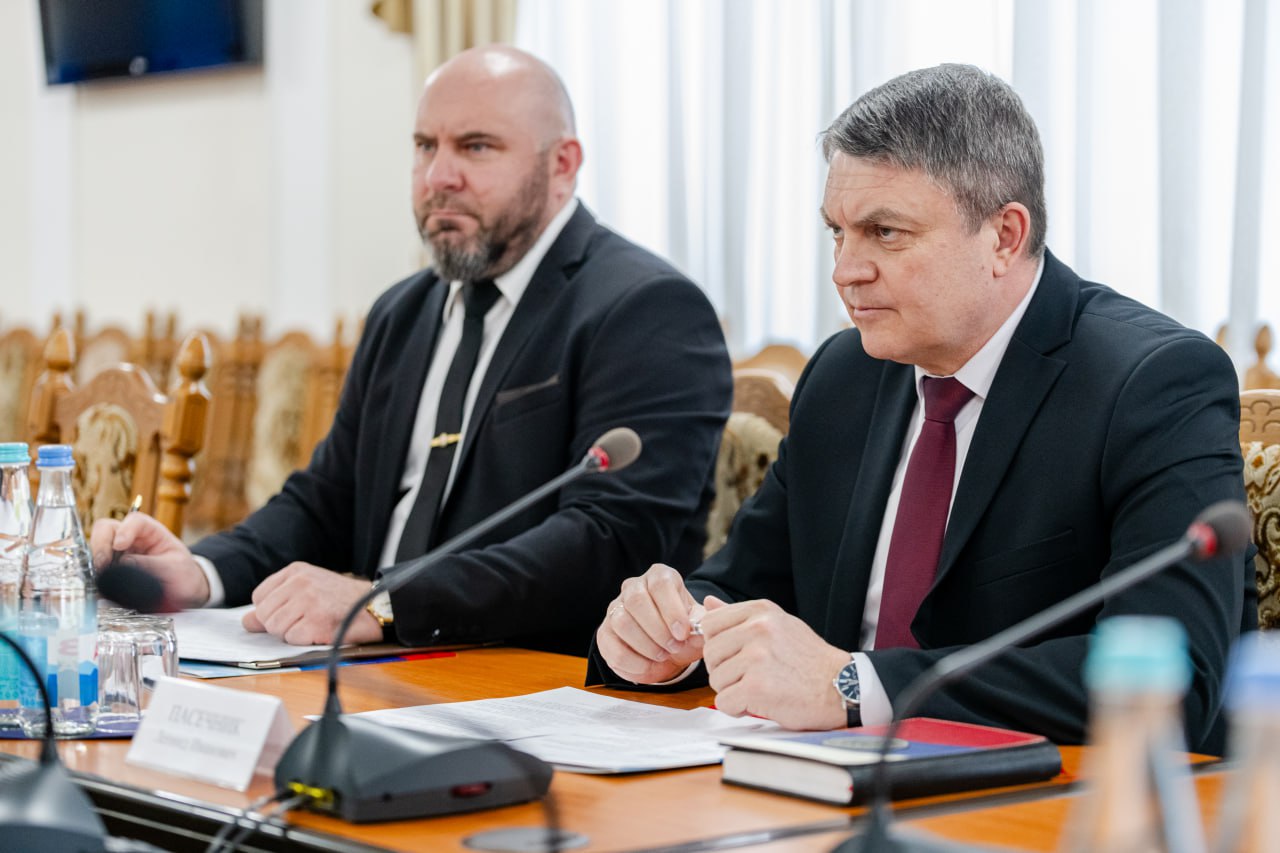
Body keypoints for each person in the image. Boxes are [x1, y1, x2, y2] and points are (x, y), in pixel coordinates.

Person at [591, 63, 1253, 753]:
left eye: (885, 232)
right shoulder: (844, 377)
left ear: (1004, 236)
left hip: (1063, 794)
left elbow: (1171, 675)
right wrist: (670, 634)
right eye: (837, 232)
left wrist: (855, 687)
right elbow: (740, 585)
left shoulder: (1151, 383)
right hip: (822, 781)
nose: (845, 270)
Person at [92, 45, 732, 656]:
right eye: (425, 146)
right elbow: (326, 500)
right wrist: (203, 572)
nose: (438, 177)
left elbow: (607, 542)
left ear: (562, 164)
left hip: (535, 677)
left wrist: (385, 603)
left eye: (476, 147)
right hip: (370, 666)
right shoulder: (402, 312)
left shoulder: (646, 308)